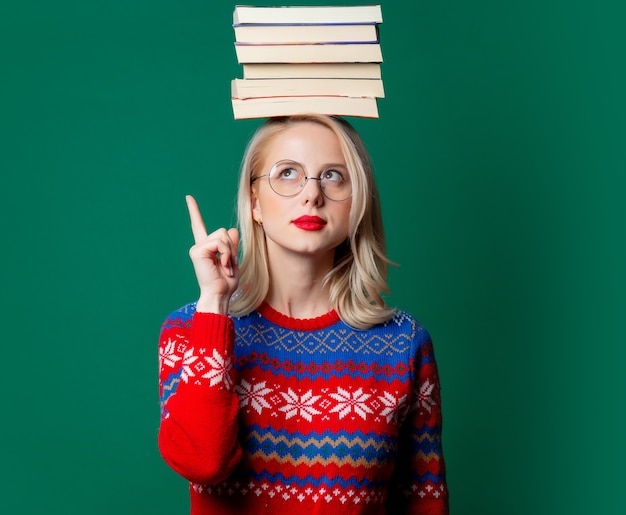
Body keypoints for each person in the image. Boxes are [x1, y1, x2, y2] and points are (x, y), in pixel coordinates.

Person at [158, 114, 449, 514]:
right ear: (255, 201)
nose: (312, 195)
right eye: (288, 173)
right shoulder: (191, 329)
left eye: (333, 176)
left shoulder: (403, 343)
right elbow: (202, 464)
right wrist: (213, 306)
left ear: (358, 202)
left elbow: (424, 501)